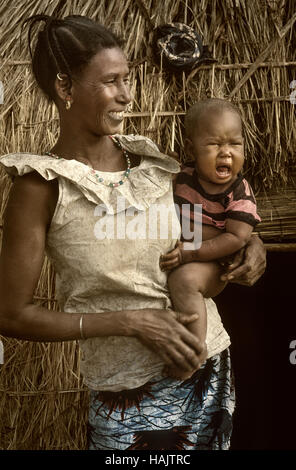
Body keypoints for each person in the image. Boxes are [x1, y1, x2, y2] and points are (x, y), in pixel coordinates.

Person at [0, 15, 266, 451]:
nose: (127, 95)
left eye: (128, 79)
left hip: (208, 369)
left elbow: (214, 215)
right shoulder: (41, 186)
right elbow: (10, 314)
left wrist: (252, 243)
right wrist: (131, 322)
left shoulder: (153, 163)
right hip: (127, 395)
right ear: (66, 89)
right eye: (111, 82)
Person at [160, 99, 261, 380]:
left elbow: (238, 237)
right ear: (192, 147)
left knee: (184, 281)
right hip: (188, 252)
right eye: (214, 145)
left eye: (234, 144)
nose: (226, 153)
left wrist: (191, 252)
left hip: (215, 265)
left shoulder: (239, 191)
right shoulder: (182, 177)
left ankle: (194, 350)